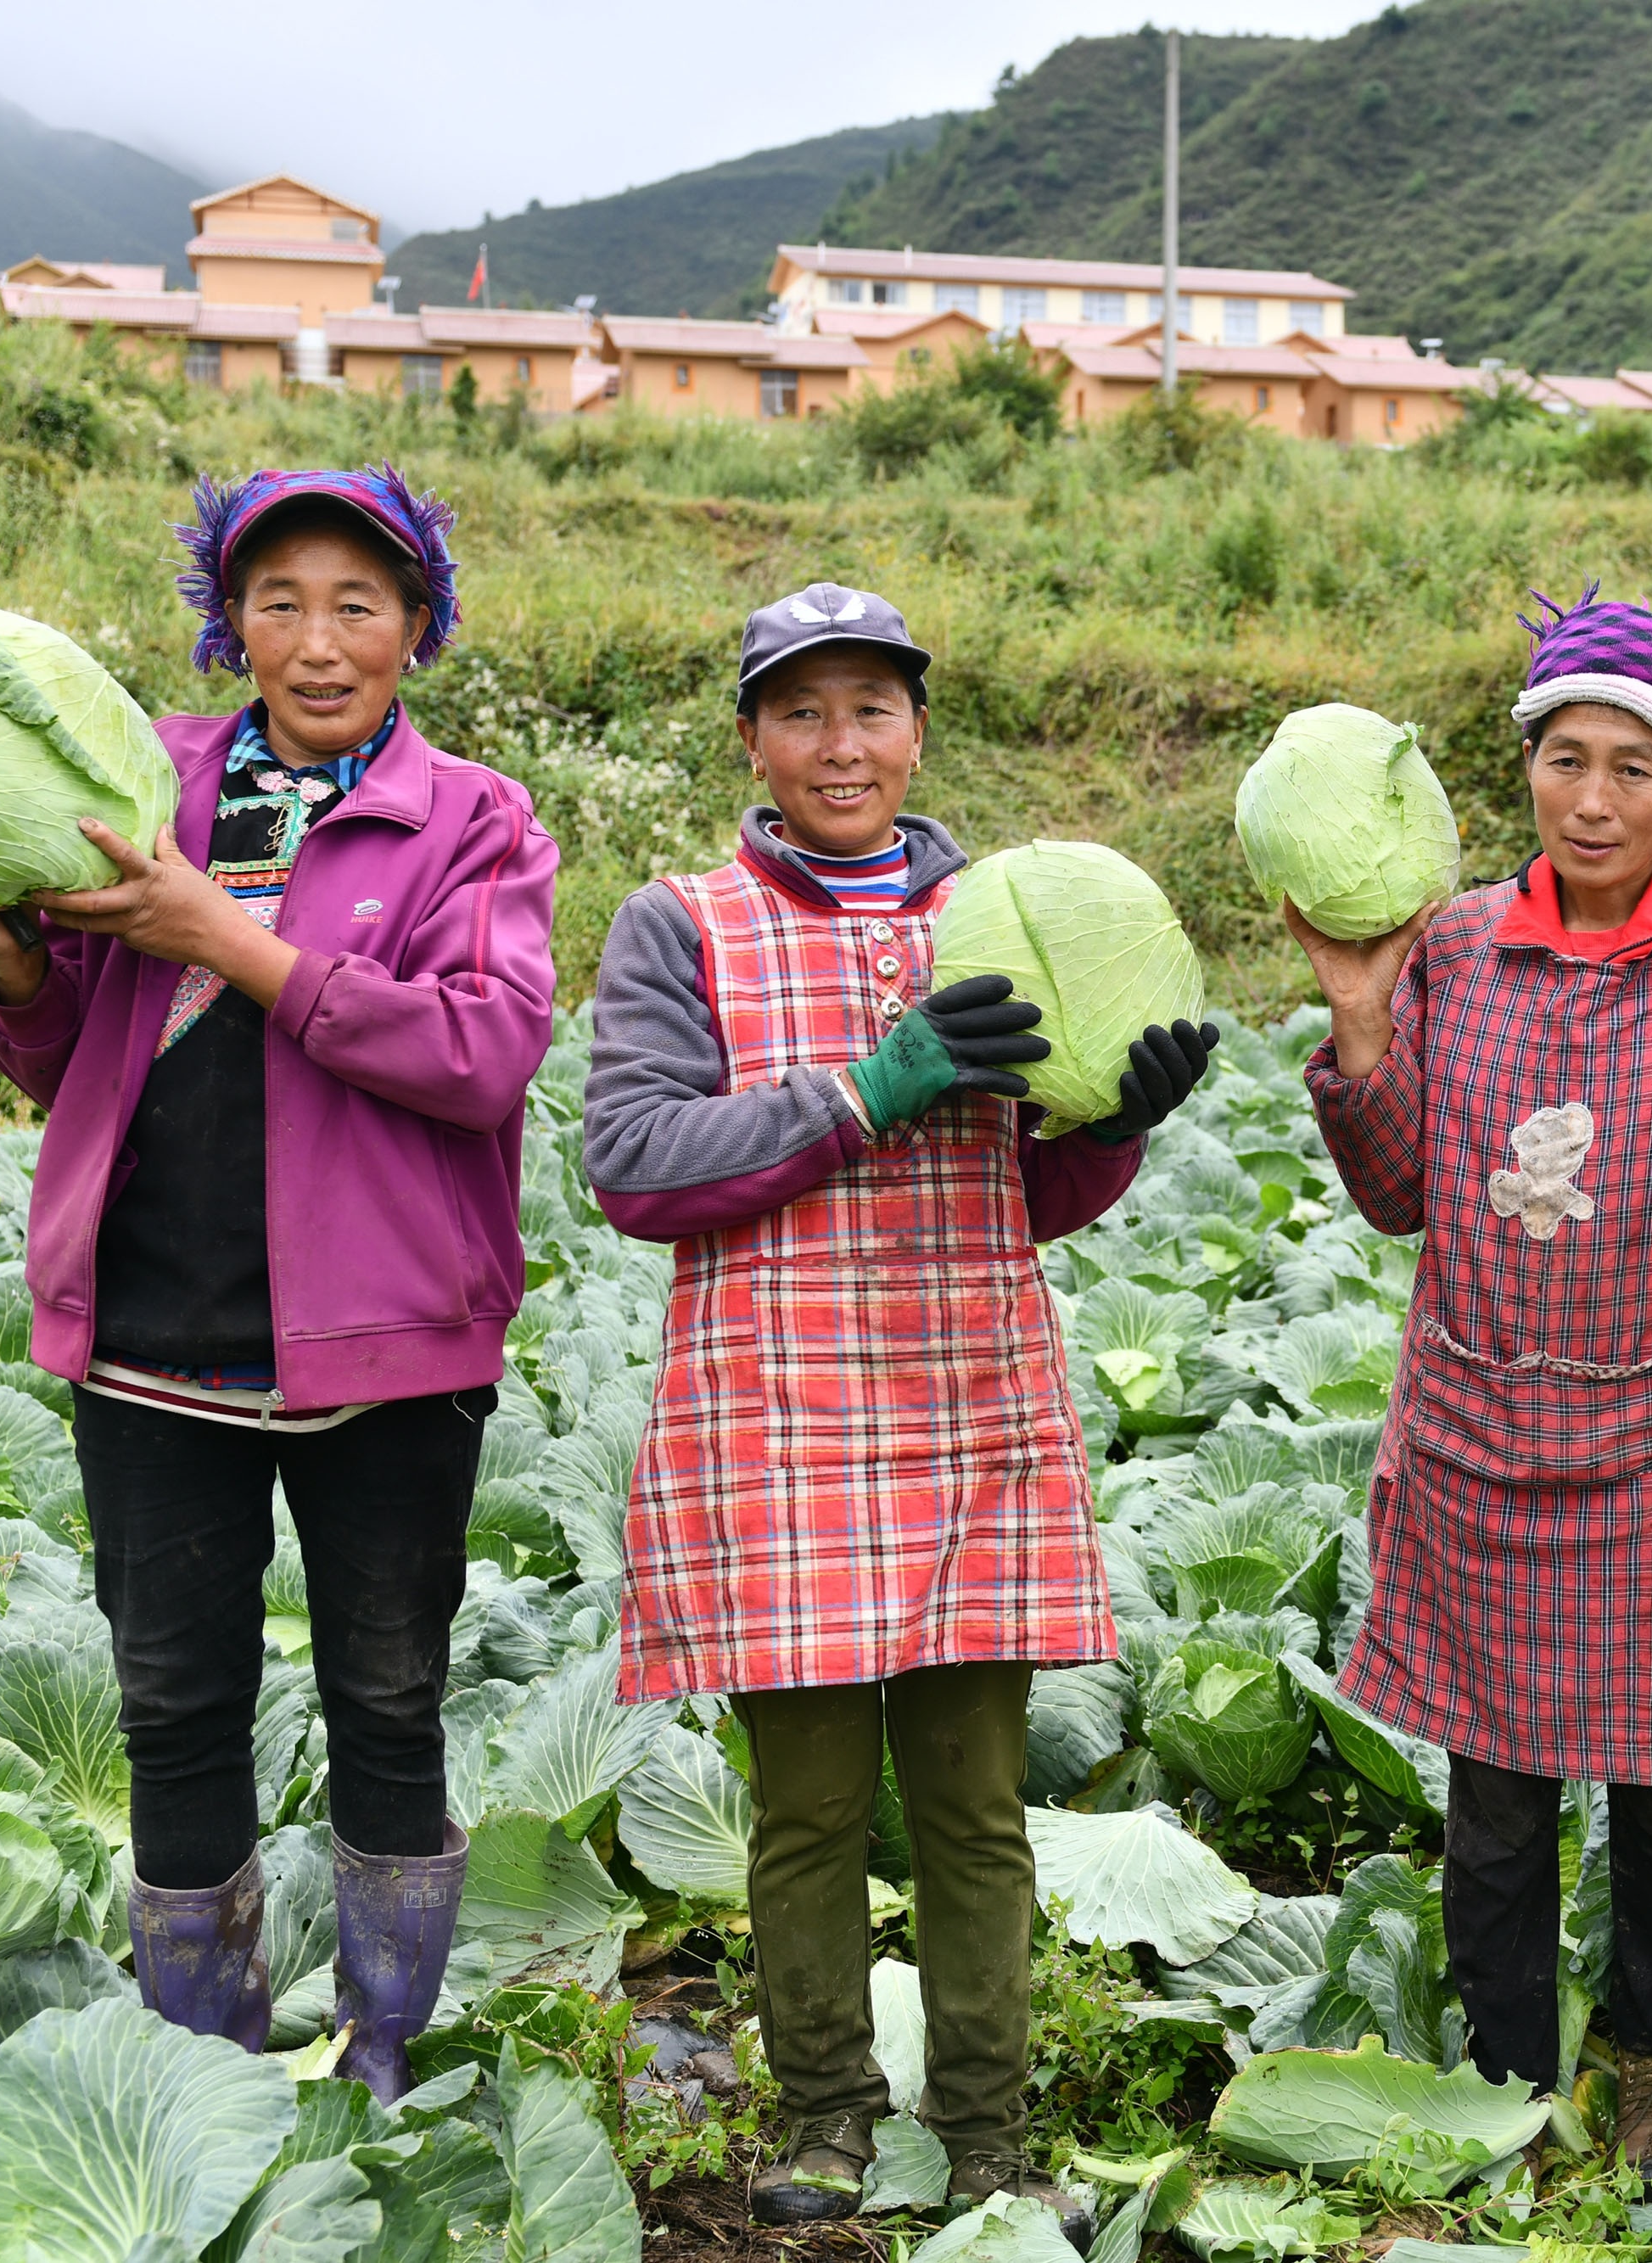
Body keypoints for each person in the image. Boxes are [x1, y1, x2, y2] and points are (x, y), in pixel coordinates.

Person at [0, 466, 559, 2098]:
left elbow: (484, 1055)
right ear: (230, 624)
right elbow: (71, 1063)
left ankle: (384, 2047)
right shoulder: (142, 785)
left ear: (419, 625)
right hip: (148, 1336)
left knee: (387, 1700)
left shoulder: (475, 818)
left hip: (383, 1349)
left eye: (358, 605)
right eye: (279, 602)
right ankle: (204, 2062)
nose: (318, 642)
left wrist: (234, 940)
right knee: (174, 1707)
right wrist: (17, 968)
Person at [585, 582, 1215, 2241]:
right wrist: (870, 1085)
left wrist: (1113, 1125)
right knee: (800, 1810)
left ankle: (993, 2134)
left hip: (964, 1401)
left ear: (916, 728)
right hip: (777, 1412)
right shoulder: (681, 921)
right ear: (752, 739)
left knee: (971, 1806)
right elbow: (634, 1165)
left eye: (869, 709)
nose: (838, 744)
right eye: (801, 713)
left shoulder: (1000, 908)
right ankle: (821, 2113)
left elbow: (1034, 1187)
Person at [1285, 591, 1652, 2193]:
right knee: (1495, 1790)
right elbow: (1401, 1191)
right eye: (1562, 759)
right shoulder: (1458, 945)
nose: (1593, 798)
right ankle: (1506, 2070)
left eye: (1631, 766)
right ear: (1524, 770)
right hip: (1478, 1431)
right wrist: (1357, 1011)